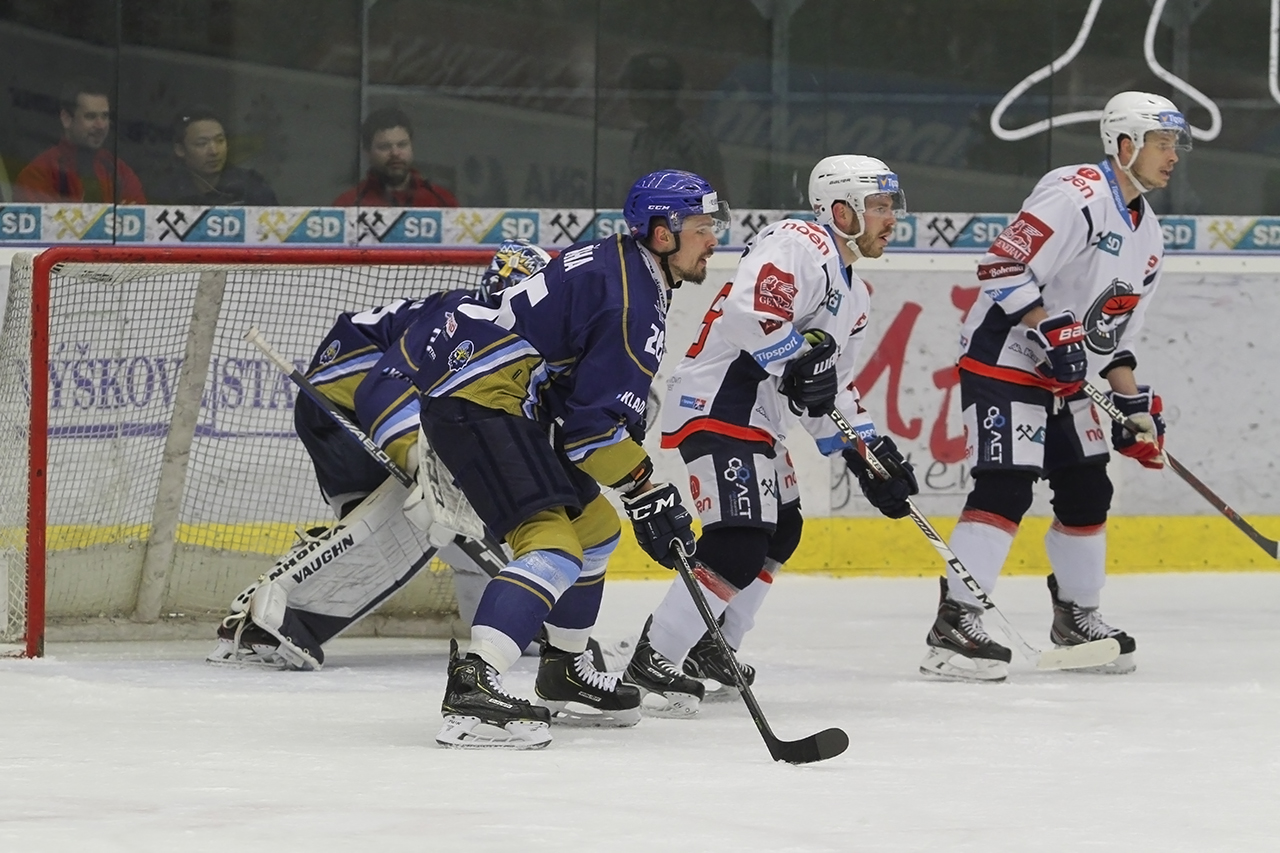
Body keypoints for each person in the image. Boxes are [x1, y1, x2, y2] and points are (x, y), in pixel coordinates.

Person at [388, 170, 727, 749]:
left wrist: (637, 489)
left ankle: (564, 669)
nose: (713, 240)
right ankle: (474, 686)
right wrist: (646, 488)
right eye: (701, 227)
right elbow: (591, 435)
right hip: (480, 400)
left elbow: (579, 406)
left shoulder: (624, 265)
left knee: (594, 529)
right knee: (551, 546)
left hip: (493, 394)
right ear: (663, 233)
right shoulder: (632, 301)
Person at [617, 155, 916, 716]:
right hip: (719, 402)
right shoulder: (799, 243)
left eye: (890, 207)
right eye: (879, 207)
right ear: (842, 211)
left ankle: (713, 646)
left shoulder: (855, 296)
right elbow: (747, 315)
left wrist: (868, 453)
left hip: (759, 416)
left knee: (783, 532)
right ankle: (654, 658)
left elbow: (829, 388)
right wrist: (799, 357)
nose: (890, 219)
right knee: (740, 538)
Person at [921, 91, 1189, 682]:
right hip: (1004, 356)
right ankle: (954, 623)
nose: (1173, 156)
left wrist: (1132, 405)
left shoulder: (1150, 235)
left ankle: (1076, 617)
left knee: (1088, 487)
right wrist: (1049, 328)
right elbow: (1001, 267)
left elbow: (1113, 337)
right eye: (1161, 144)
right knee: (1006, 484)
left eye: (1175, 145)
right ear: (1125, 145)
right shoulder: (1075, 194)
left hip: (1065, 376)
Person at [207, 241, 552, 671]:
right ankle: (275, 616)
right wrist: (421, 464)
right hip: (342, 400)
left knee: (445, 518)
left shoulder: (498, 332)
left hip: (343, 411)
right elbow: (380, 389)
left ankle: (510, 620)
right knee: (432, 507)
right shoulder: (461, 315)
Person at [15, 79, 146, 203]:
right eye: (90, 116)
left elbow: (140, 214)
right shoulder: (39, 173)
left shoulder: (119, 171)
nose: (101, 125)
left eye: (105, 116)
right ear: (66, 119)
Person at [621, 53, 726, 198]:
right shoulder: (642, 138)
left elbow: (715, 197)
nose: (628, 98)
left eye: (633, 90)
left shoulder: (693, 139)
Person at [333, 107, 459, 207]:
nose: (395, 153)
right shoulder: (348, 205)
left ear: (411, 147)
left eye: (402, 145)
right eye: (385, 147)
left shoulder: (442, 202)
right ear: (367, 152)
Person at [150, 108, 278, 206]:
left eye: (220, 140)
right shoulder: (166, 193)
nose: (214, 151)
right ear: (180, 150)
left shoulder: (251, 187)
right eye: (202, 143)